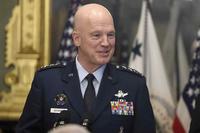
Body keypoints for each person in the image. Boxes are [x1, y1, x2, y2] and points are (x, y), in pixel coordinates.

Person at [15, 3, 155, 133]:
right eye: (96, 35)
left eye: (110, 35)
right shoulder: (47, 81)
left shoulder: (134, 84)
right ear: (77, 39)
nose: (106, 43)